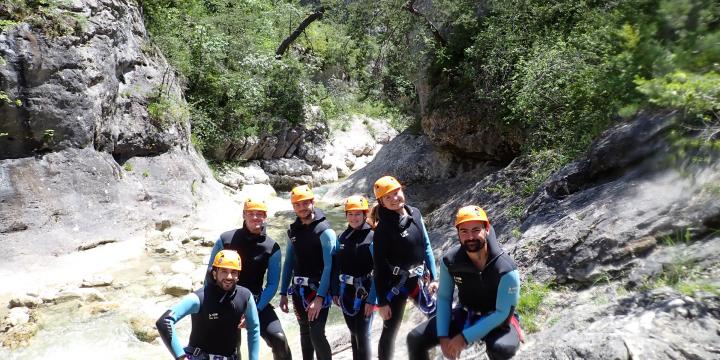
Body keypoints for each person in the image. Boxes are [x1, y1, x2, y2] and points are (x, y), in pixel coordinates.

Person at [406, 205, 523, 360]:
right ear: (458, 234)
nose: (470, 237)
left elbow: (502, 313)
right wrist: (443, 336)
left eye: (476, 230)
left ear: (486, 229)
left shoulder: (506, 269)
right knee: (415, 338)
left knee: (501, 348)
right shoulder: (451, 261)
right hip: (466, 313)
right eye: (464, 231)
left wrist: (464, 338)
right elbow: (444, 298)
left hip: (498, 320)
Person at [205, 198, 292, 360]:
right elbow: (210, 273)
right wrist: (210, 303)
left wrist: (255, 311)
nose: (255, 217)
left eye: (260, 214)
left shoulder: (271, 247)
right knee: (231, 348)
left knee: (279, 339)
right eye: (251, 213)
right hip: (226, 301)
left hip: (257, 301)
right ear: (244, 215)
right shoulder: (226, 240)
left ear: (265, 216)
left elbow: (272, 284)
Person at [371, 175, 438, 360]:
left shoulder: (415, 213)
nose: (394, 198)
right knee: (390, 331)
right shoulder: (383, 230)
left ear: (402, 191)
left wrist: (434, 277)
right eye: (388, 197)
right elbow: (378, 268)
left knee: (437, 316)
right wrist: (382, 302)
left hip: (419, 280)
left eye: (396, 192)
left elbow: (426, 245)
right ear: (382, 203)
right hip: (396, 286)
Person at [157, 250, 260, 360]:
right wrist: (181, 357)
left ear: (238, 275)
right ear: (215, 274)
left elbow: (254, 328)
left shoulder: (245, 296)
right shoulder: (199, 298)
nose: (229, 276)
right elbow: (165, 321)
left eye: (233, 272)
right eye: (224, 271)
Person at [278, 185, 336, 360]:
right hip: (298, 290)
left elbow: (329, 266)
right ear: (293, 207)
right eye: (297, 205)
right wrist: (282, 293)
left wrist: (319, 298)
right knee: (304, 333)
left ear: (313, 202)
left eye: (305, 203)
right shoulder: (293, 230)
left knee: (317, 334)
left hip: (318, 290)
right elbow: (288, 262)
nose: (302, 208)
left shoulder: (325, 231)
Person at [330, 195, 377, 360]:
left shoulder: (372, 237)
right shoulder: (342, 237)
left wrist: (373, 299)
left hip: (366, 292)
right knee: (354, 333)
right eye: (350, 214)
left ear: (365, 215)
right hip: (346, 292)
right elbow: (336, 267)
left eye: (357, 214)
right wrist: (334, 291)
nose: (353, 218)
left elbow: (379, 270)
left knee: (363, 336)